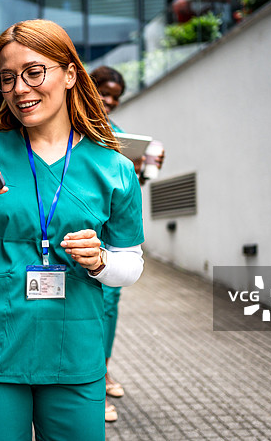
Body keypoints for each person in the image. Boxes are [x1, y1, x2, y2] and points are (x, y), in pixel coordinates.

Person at [0, 20, 145, 441]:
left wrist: (101, 262)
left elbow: (131, 264)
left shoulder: (113, 168)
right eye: (7, 78)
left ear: (69, 75)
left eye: (34, 72)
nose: (20, 89)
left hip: (75, 354)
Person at [89, 65, 164, 423]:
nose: (109, 101)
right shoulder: (75, 122)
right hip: (84, 231)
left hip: (114, 235)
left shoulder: (116, 130)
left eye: (116, 96)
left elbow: (126, 186)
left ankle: (101, 371)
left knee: (109, 304)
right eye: (104, 91)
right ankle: (90, 384)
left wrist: (146, 168)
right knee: (91, 306)